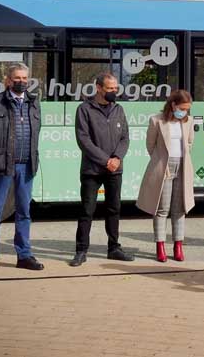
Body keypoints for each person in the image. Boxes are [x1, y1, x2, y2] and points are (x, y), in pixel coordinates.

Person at [0, 63, 43, 274]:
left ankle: (24, 256)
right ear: (8, 80)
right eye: (17, 78)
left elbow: (36, 132)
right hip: (1, 166)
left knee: (24, 212)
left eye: (25, 78)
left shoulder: (34, 103)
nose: (21, 82)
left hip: (26, 165)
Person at [69, 72, 134, 266]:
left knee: (114, 209)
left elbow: (125, 137)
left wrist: (117, 158)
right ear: (98, 88)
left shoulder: (119, 109)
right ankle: (81, 251)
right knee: (87, 210)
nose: (114, 92)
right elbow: (84, 140)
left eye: (116, 88)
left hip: (115, 169)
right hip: (92, 170)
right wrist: (106, 160)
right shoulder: (84, 109)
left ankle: (114, 248)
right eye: (110, 89)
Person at [136, 90, 196, 262]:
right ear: (173, 105)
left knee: (180, 209)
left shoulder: (188, 121)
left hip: (183, 166)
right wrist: (160, 162)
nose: (184, 112)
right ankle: (160, 246)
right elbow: (150, 145)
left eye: (187, 109)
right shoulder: (157, 120)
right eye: (182, 108)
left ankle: (178, 246)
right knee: (161, 209)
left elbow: (189, 143)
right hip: (163, 168)